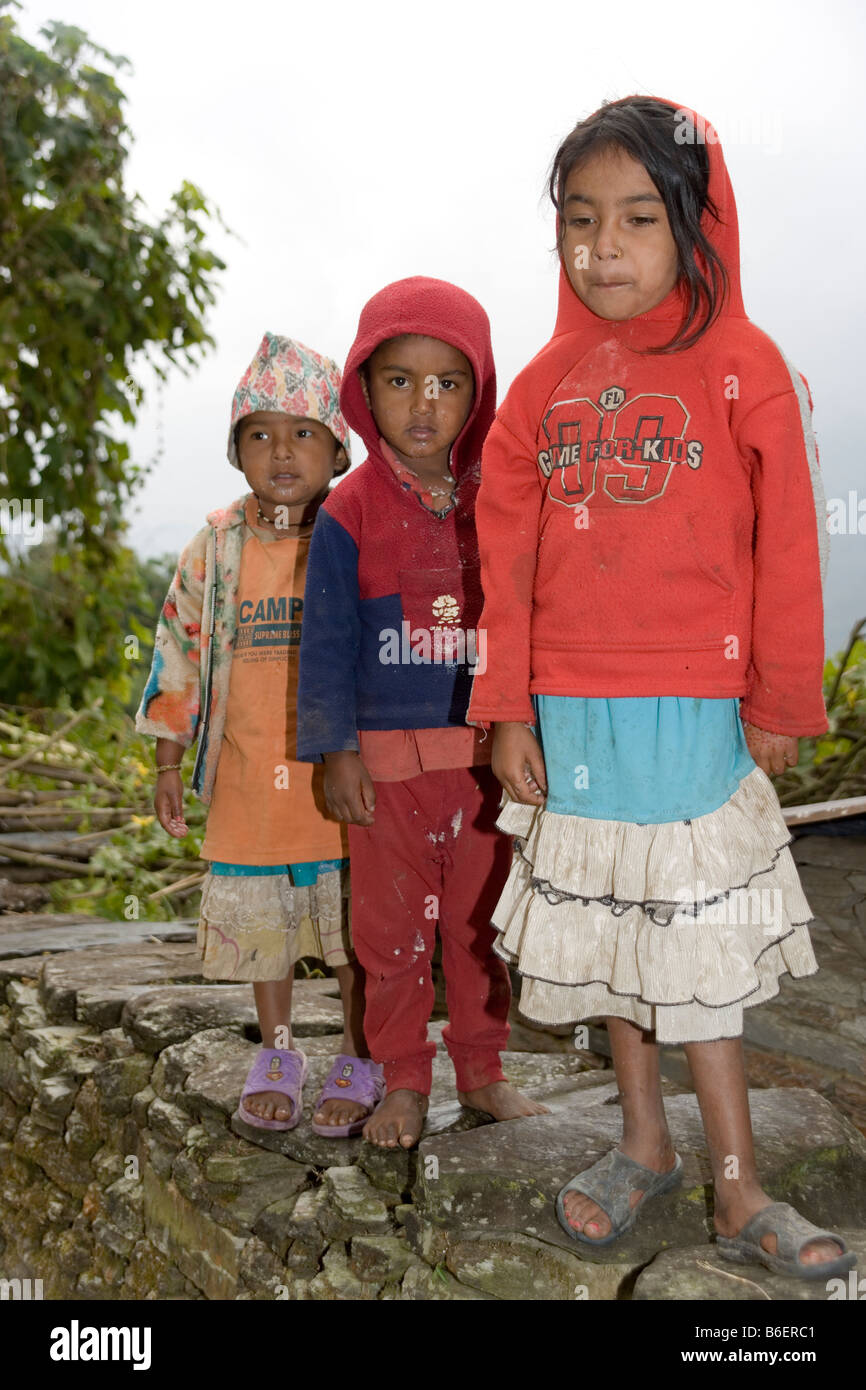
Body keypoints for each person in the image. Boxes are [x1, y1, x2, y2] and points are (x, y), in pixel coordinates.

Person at [467, 97, 856, 1280]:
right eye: (578, 220)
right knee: (609, 933)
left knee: (694, 942)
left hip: (694, 714)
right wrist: (504, 709)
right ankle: (640, 1140)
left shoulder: (744, 369)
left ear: (697, 223)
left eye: (638, 216)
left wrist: (785, 696)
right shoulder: (537, 392)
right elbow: (508, 560)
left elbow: (788, 543)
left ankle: (735, 1181)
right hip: (571, 717)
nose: (602, 245)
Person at [297, 277, 547, 1149]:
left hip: (483, 764)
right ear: (363, 390)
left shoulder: (501, 498)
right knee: (390, 930)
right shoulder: (348, 511)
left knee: (483, 927)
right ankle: (403, 1077)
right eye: (400, 379)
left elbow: (527, 611)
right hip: (386, 773)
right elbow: (325, 641)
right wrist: (334, 749)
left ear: (480, 391)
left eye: (449, 382)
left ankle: (482, 1069)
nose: (424, 403)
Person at [136, 333, 383, 1137]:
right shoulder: (216, 545)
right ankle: (278, 1049)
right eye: (261, 433)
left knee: (352, 936)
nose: (283, 451)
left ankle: (359, 1048)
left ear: (338, 451)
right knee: (265, 939)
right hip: (248, 779)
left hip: (340, 779)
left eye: (304, 432)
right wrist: (169, 762)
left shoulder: (351, 537)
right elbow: (176, 649)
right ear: (237, 449)